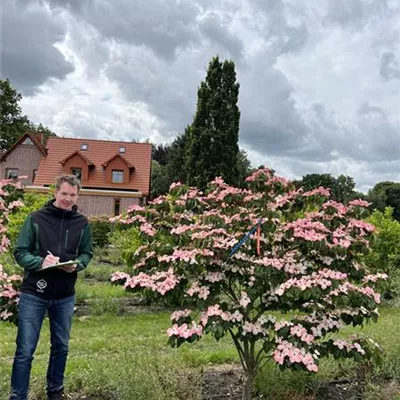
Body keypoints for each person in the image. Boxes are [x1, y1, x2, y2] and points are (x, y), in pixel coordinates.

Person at [10, 175, 93, 400]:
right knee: (25, 351)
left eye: (72, 195)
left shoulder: (82, 223)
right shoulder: (36, 218)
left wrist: (78, 265)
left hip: (65, 295)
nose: (67, 199)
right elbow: (20, 252)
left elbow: (87, 253)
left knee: (61, 348)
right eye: (64, 193)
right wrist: (40, 263)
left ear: (78, 196)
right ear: (55, 192)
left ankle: (55, 392)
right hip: (34, 292)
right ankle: (18, 396)